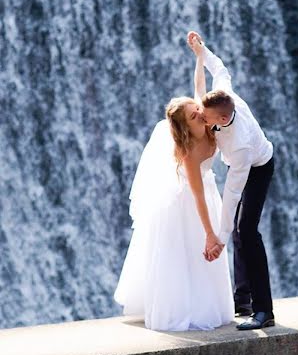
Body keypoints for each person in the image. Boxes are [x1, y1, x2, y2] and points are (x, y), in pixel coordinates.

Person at [113, 39, 234, 331]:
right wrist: (210, 234)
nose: (201, 114)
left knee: (202, 266)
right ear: (185, 127)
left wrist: (199, 56)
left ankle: (210, 305)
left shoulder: (203, 119)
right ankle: (184, 309)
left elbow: (199, 84)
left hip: (205, 194)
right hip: (185, 204)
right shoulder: (189, 152)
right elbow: (197, 197)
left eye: (199, 109)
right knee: (184, 259)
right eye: (195, 115)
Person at [186, 31, 275, 331]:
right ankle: (242, 301)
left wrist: (218, 238)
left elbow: (233, 193)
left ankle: (264, 311)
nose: (202, 119)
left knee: (245, 231)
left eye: (206, 118)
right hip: (244, 163)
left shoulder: (239, 147)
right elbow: (221, 69)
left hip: (259, 166)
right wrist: (201, 51)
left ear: (222, 120)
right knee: (241, 231)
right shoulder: (223, 96)